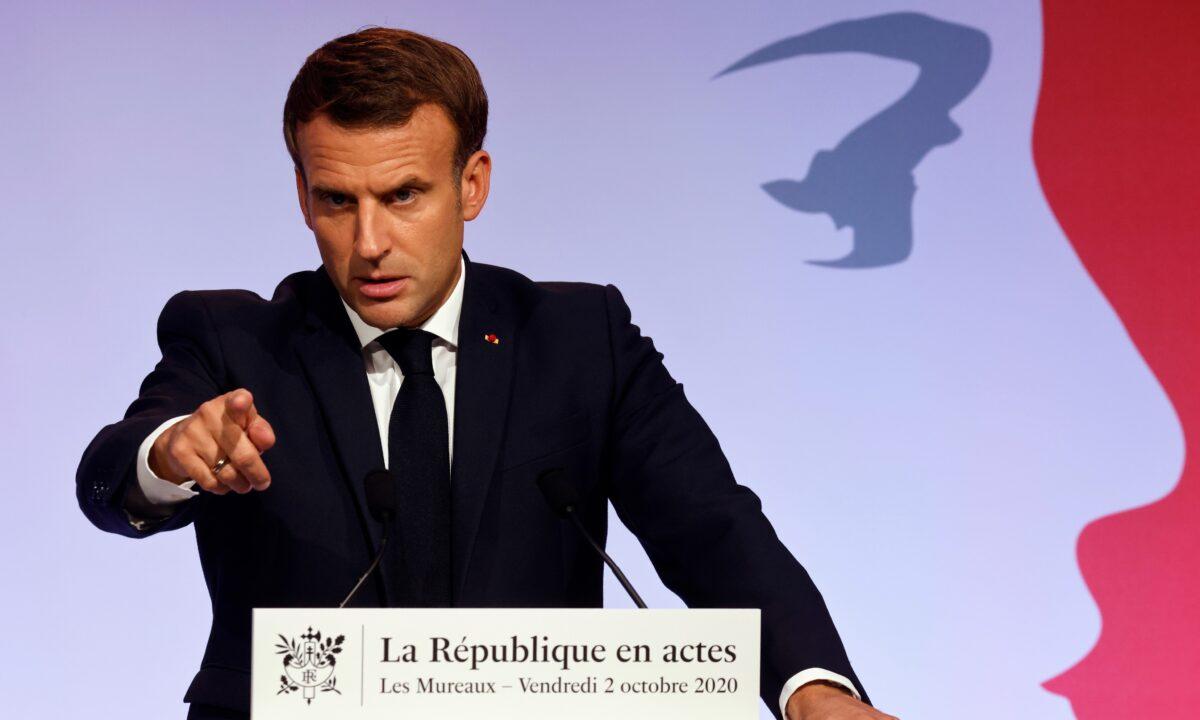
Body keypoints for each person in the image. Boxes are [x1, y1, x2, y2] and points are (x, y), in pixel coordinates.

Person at [76, 27, 890, 720]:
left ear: (473, 185)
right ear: (300, 192)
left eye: (402, 195)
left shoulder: (580, 339)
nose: (368, 242)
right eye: (335, 201)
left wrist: (811, 688)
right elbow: (112, 472)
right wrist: (171, 453)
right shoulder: (236, 340)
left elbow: (712, 529)